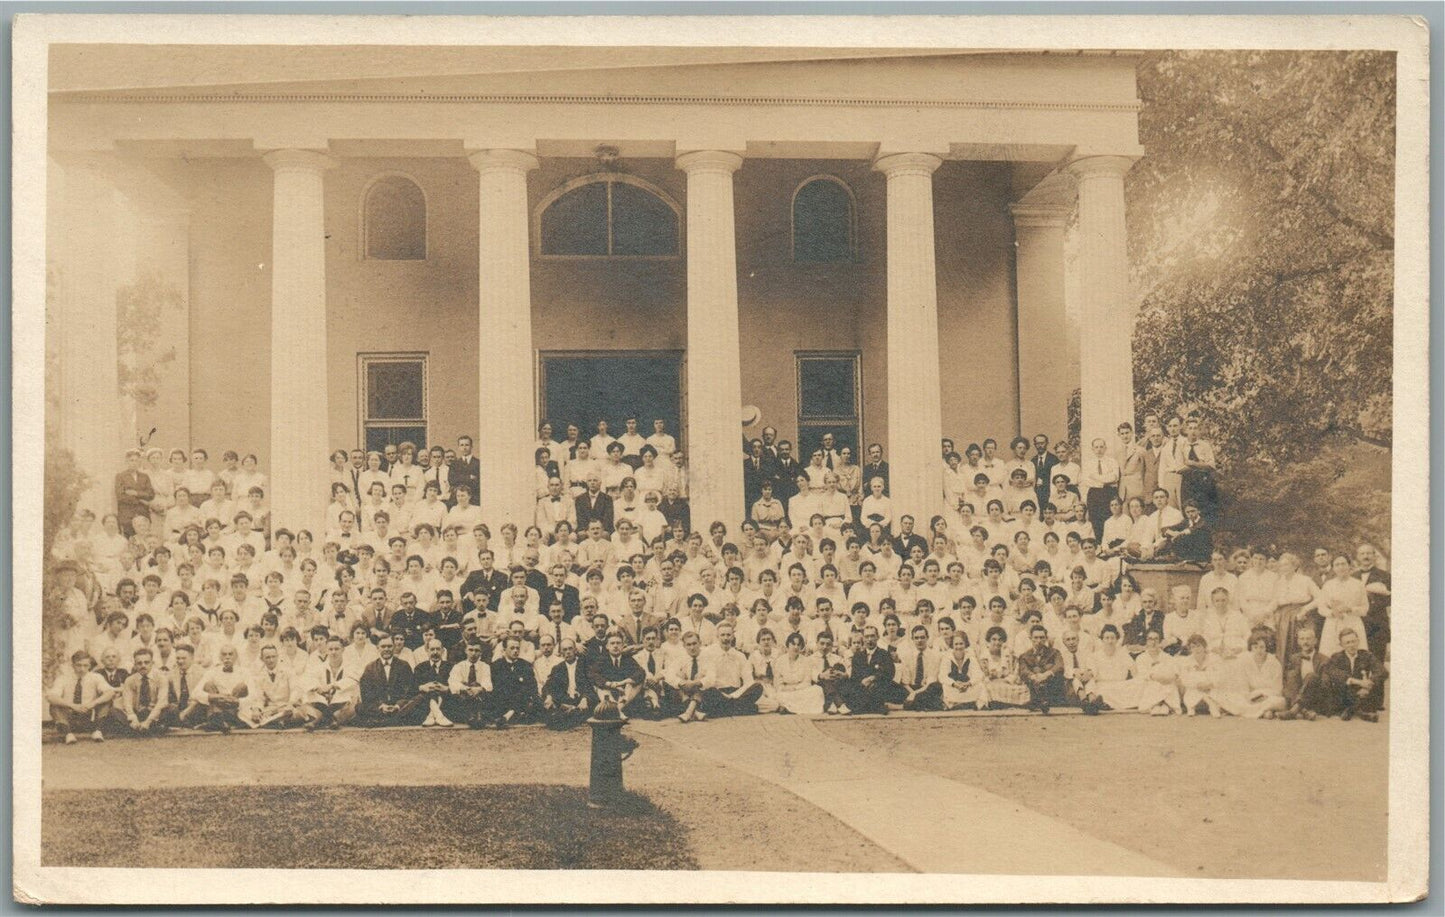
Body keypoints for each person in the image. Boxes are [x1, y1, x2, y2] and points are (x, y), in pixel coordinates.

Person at [356, 635, 426, 727]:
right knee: (359, 707)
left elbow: (410, 690)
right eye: (383, 646)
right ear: (378, 648)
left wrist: (397, 705)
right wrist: (381, 706)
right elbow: (366, 693)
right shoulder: (370, 668)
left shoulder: (404, 665)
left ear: (393, 647)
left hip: (400, 706)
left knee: (420, 698)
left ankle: (382, 721)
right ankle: (395, 720)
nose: (386, 649)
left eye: (389, 646)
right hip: (379, 707)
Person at [1217, 632, 1287, 719]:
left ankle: (1254, 711)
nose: (1259, 650)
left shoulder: (1274, 663)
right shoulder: (1245, 661)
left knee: (1280, 701)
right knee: (1230, 698)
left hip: (1269, 697)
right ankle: (1265, 712)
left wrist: (1265, 695)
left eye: (1262, 647)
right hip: (1250, 697)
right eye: (1255, 647)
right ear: (1251, 648)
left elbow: (1277, 689)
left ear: (1266, 647)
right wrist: (1250, 697)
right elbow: (1243, 685)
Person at [700, 623, 764, 718]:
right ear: (717, 636)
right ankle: (740, 708)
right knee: (708, 692)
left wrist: (734, 695)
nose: (725, 638)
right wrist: (722, 695)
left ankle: (721, 710)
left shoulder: (740, 656)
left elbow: (748, 681)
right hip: (718, 693)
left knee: (758, 687)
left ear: (733, 636)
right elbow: (706, 679)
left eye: (728, 635)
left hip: (737, 693)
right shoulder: (709, 653)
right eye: (722, 635)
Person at [48, 650, 112, 743]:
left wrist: (93, 703)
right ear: (72, 665)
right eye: (78, 665)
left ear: (90, 666)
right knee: (54, 705)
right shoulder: (63, 678)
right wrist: (72, 706)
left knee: (107, 701)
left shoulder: (96, 677)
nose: (82, 669)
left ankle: (98, 731)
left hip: (89, 717)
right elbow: (51, 696)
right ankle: (68, 734)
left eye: (85, 665)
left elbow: (110, 692)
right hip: (69, 718)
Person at [1323, 628, 1384, 722]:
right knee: (1339, 685)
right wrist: (1357, 681)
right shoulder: (1336, 657)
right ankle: (1361, 712)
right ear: (1341, 645)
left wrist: (1368, 683)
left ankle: (1352, 710)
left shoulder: (1367, 655)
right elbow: (1331, 671)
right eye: (1347, 643)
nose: (1351, 645)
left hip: (1363, 692)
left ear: (1358, 641)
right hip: (1345, 693)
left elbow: (1382, 670)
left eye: (1353, 641)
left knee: (1376, 684)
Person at [1318, 553, 1368, 657]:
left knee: (1356, 655)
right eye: (1337, 564)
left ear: (1349, 565)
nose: (1341, 567)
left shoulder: (1358, 584)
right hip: (1333, 624)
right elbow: (1321, 608)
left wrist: (1350, 609)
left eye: (1343, 564)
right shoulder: (1328, 585)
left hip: (1353, 623)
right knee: (1331, 654)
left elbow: (1365, 609)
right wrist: (1332, 613)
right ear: (1333, 568)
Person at [587, 630, 644, 720]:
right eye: (612, 643)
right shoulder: (602, 659)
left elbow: (641, 672)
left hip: (624, 693)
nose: (615, 646)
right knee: (599, 686)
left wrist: (622, 683)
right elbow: (592, 674)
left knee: (636, 683)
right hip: (609, 691)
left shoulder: (627, 659)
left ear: (622, 646)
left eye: (618, 643)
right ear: (607, 646)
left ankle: (616, 710)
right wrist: (611, 684)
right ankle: (618, 711)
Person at [1279, 625, 1333, 721]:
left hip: (1317, 696)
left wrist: (1310, 683)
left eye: (1308, 639)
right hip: (1297, 694)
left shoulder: (1324, 659)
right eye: (1302, 639)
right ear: (1298, 641)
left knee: (1311, 676)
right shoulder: (1294, 658)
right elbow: (1289, 683)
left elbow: (1325, 684)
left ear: (1315, 641)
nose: (1305, 642)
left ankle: (1294, 711)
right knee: (1291, 676)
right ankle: (1305, 711)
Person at [842, 625, 895, 714]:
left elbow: (889, 673)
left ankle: (867, 706)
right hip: (862, 687)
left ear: (877, 637)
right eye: (867, 636)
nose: (869, 639)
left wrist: (873, 678)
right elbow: (854, 676)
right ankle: (872, 706)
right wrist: (862, 682)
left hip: (878, 686)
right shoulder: (858, 656)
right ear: (863, 639)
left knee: (879, 688)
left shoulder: (884, 654)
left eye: (872, 636)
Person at [198, 644, 251, 733]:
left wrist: (237, 701)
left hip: (235, 709)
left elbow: (254, 694)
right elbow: (196, 692)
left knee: (241, 686)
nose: (227, 657)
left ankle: (221, 721)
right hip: (217, 707)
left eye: (230, 654)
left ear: (236, 657)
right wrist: (215, 696)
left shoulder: (245, 672)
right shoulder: (212, 672)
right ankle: (219, 719)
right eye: (224, 654)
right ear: (220, 657)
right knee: (208, 684)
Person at [488, 635, 539, 727]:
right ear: (504, 650)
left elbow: (532, 686)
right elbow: (496, 687)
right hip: (503, 700)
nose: (515, 651)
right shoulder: (496, 666)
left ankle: (509, 715)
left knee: (534, 701)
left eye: (517, 648)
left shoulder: (526, 665)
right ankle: (515, 714)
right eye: (512, 648)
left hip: (522, 699)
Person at [1016, 624, 1066, 714]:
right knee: (1032, 676)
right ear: (1030, 638)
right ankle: (1041, 701)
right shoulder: (1024, 656)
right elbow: (1023, 671)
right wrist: (1034, 677)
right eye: (1036, 637)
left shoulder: (1054, 652)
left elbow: (1059, 666)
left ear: (1046, 638)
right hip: (1033, 685)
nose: (1038, 641)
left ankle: (1039, 701)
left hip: (1051, 686)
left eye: (1042, 637)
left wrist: (1045, 675)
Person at [444, 639, 493, 729]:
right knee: (458, 692)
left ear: (481, 653)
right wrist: (467, 688)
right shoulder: (459, 666)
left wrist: (478, 689)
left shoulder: (485, 666)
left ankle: (477, 716)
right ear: (466, 651)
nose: (473, 653)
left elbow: (487, 683)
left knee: (478, 687)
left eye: (477, 651)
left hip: (479, 695)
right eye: (471, 650)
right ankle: (472, 716)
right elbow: (453, 682)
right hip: (464, 697)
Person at [1176, 635, 1224, 717]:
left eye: (1199, 646)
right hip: (1195, 689)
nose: (1196, 649)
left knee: (1213, 691)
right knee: (1195, 680)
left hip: (1210, 688)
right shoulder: (1187, 661)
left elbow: (1219, 675)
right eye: (1193, 647)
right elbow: (1184, 679)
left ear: (1204, 646)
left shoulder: (1214, 658)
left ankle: (1211, 705)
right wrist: (1197, 685)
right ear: (1190, 649)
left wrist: (1209, 684)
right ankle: (1206, 704)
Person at [412, 638, 455, 727]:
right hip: (426, 703)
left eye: (438, 649)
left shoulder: (451, 666)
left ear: (443, 651)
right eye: (432, 649)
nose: (435, 652)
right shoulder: (420, 667)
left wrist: (446, 688)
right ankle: (439, 716)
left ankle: (432, 716)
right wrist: (423, 687)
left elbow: (456, 684)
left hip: (446, 701)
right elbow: (413, 686)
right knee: (428, 692)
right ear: (427, 651)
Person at [114, 449, 156, 538]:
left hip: (143, 513)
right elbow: (121, 496)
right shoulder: (120, 476)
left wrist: (136, 493)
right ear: (126, 461)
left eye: (136, 460)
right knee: (129, 540)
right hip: (127, 515)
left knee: (144, 539)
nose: (134, 463)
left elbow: (151, 494)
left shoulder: (144, 476)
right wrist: (141, 500)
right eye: (131, 460)